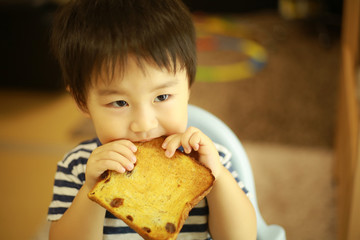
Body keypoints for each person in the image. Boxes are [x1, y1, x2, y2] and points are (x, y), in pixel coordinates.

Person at [47, 0, 257, 239]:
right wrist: (90, 190)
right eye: (119, 103)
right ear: (82, 101)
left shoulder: (210, 160)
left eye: (162, 96)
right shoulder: (79, 166)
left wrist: (217, 177)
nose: (145, 124)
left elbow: (243, 237)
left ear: (188, 87)